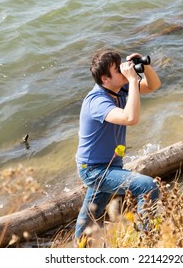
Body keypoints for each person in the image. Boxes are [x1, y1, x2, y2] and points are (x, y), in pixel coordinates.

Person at [75, 49, 161, 245]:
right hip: (94, 169)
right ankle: (148, 241)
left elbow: (154, 85)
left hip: (110, 165)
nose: (124, 70)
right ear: (105, 79)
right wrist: (131, 81)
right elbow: (131, 118)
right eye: (118, 69)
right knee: (148, 186)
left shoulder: (119, 89)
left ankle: (76, 249)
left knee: (91, 214)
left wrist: (145, 67)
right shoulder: (97, 101)